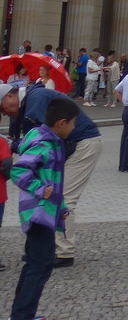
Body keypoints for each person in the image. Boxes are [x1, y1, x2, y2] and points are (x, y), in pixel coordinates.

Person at [2, 82, 102, 268]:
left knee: (63, 197)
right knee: (48, 193)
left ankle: (63, 252)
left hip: (82, 144)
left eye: (3, 108)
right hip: (71, 145)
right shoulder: (28, 102)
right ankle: (40, 247)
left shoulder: (35, 99)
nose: (4, 113)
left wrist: (15, 145)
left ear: (10, 96)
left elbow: (44, 136)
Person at [8, 94, 78, 320]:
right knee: (41, 265)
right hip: (39, 212)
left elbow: (54, 182)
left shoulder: (51, 141)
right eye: (73, 123)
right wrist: (39, 189)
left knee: (34, 264)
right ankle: (22, 315)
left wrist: (62, 205)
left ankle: (21, 314)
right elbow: (19, 171)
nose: (74, 128)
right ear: (61, 123)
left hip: (45, 210)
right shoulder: (45, 145)